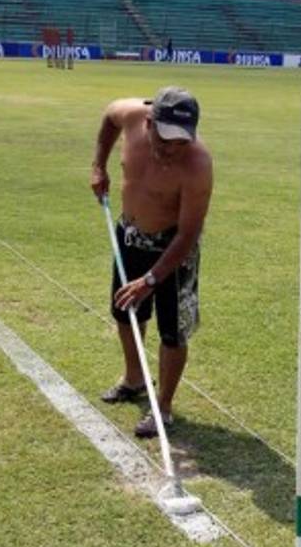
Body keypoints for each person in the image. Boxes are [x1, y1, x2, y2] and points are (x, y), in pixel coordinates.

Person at [90, 86, 213, 438]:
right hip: (130, 236)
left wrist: (151, 279)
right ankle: (134, 378)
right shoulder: (129, 115)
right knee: (125, 311)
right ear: (148, 122)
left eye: (180, 143)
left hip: (174, 247)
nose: (172, 150)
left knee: (172, 331)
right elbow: (108, 117)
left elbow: (188, 234)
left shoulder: (198, 165)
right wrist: (99, 164)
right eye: (165, 141)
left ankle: (164, 407)